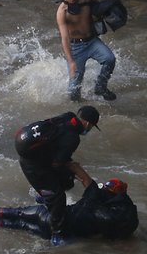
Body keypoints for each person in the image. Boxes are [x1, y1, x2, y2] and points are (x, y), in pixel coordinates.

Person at [14, 105, 100, 246]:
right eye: (91, 127)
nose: (89, 130)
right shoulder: (73, 138)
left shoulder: (67, 116)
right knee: (59, 197)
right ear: (88, 123)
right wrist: (73, 169)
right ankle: (57, 234)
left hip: (30, 152)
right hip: (32, 164)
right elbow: (56, 164)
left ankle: (44, 196)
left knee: (67, 180)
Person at [0, 177, 139, 243]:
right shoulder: (118, 215)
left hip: (50, 216)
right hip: (55, 233)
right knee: (21, 225)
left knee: (19, 213)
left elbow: (87, 200)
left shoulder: (94, 203)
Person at [56, 0, 117, 101]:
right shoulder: (62, 12)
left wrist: (105, 15)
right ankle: (78, 110)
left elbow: (97, 9)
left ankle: (100, 86)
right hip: (75, 47)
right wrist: (71, 61)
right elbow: (64, 38)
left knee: (110, 59)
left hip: (92, 41)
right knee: (74, 91)